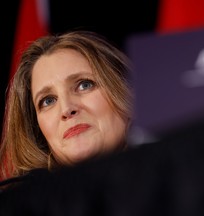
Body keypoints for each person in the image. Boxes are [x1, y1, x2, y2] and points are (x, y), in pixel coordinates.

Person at [0, 30, 133, 181]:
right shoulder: (21, 204)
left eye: (85, 85)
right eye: (48, 101)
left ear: (125, 88)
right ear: (37, 131)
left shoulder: (164, 180)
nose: (67, 109)